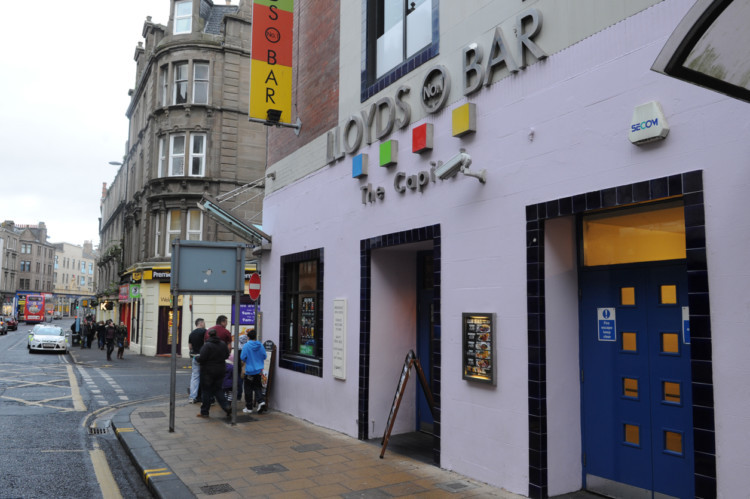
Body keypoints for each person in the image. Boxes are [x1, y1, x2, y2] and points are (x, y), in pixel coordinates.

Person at [197, 329, 232, 418]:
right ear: (216, 335)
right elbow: (227, 355)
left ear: (209, 335)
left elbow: (202, 358)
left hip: (207, 372)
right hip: (220, 370)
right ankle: (226, 406)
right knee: (218, 390)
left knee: (206, 391)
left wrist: (197, 359)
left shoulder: (207, 345)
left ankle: (204, 412)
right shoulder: (223, 344)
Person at [240, 329, 267, 414]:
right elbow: (264, 356)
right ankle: (261, 401)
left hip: (249, 371)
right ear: (255, 336)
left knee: (248, 389)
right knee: (257, 387)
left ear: (248, 337)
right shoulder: (260, 345)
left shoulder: (246, 346)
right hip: (259, 371)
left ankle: (249, 408)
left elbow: (242, 357)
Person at [188, 318, 206, 403]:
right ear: (201, 323)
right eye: (204, 323)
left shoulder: (191, 333)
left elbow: (190, 347)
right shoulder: (205, 332)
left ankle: (192, 397)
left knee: (195, 377)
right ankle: (204, 397)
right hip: (203, 356)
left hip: (195, 357)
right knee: (205, 377)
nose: (204, 324)